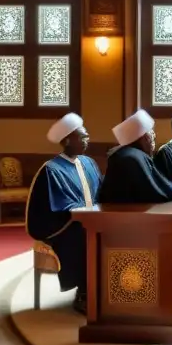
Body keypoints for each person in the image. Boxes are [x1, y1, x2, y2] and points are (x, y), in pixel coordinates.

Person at [24, 113, 102, 314]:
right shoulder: (52, 170)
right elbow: (59, 206)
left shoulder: (89, 163)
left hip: (91, 220)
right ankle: (84, 293)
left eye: (86, 135)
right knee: (85, 237)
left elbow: (102, 193)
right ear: (67, 140)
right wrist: (87, 213)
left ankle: (105, 290)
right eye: (82, 137)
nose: (87, 139)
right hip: (62, 227)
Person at [97, 110, 172, 203]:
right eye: (150, 132)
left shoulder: (134, 154)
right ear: (141, 137)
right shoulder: (131, 158)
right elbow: (155, 193)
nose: (154, 135)